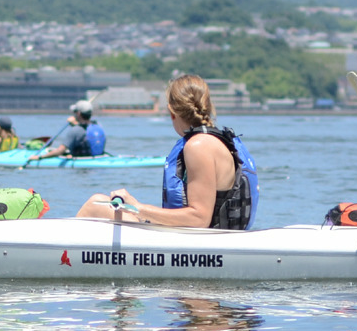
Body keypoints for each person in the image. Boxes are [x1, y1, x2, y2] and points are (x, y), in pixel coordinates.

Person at [75, 75, 259, 229]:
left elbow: (199, 218)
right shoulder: (215, 141)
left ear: (172, 112)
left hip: (202, 243)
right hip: (202, 237)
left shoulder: (198, 146)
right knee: (100, 203)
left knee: (96, 204)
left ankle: (60, 260)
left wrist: (137, 207)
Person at [35, 100, 106, 160]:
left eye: (75, 112)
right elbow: (84, 130)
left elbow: (60, 151)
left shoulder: (75, 130)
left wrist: (40, 157)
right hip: (98, 157)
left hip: (81, 160)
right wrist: (75, 123)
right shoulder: (98, 125)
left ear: (78, 114)